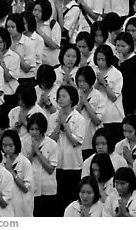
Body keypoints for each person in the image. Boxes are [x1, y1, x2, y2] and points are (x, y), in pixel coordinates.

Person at [50, 85, 86, 213]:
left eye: (64, 96)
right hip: (57, 163)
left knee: (71, 198)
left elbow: (75, 142)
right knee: (58, 199)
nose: (60, 99)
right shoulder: (53, 117)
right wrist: (58, 124)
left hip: (73, 164)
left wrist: (65, 124)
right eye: (59, 96)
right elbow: (50, 140)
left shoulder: (79, 119)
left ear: (72, 99)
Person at [26, 112, 57, 217]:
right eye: (31, 129)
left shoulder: (52, 144)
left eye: (37, 129)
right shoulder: (23, 142)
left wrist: (38, 152)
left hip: (47, 189)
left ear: (42, 129)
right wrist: (32, 152)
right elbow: (24, 166)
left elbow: (50, 169)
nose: (34, 132)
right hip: (31, 188)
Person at [0, 129, 34, 216]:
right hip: (4, 204)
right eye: (4, 145)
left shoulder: (24, 162)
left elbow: (26, 188)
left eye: (11, 145)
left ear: (16, 144)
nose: (7, 148)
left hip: (21, 205)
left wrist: (11, 171)